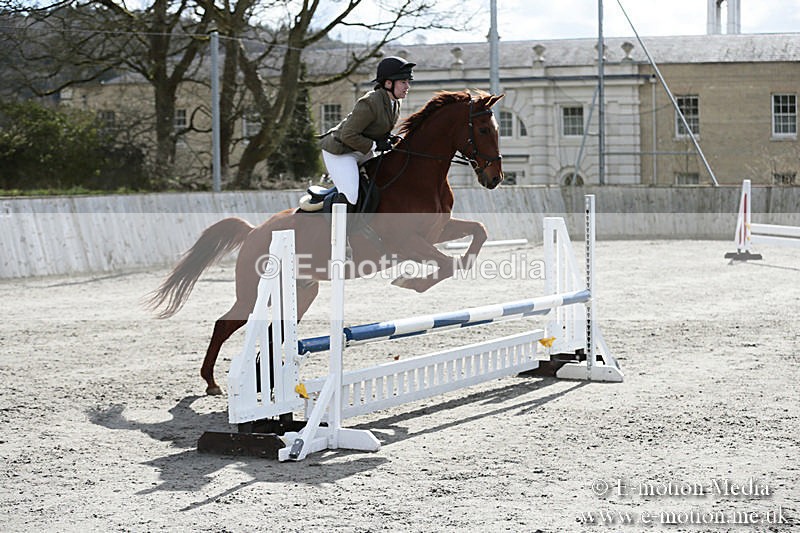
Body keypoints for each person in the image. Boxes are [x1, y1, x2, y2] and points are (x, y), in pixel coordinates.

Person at [319, 56, 414, 207]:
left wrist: (389, 139)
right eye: (403, 82)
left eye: (408, 82)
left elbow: (378, 127)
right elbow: (348, 135)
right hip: (341, 151)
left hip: (362, 150)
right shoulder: (370, 102)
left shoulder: (395, 101)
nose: (407, 86)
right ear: (388, 83)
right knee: (350, 195)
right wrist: (376, 145)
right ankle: (339, 229)